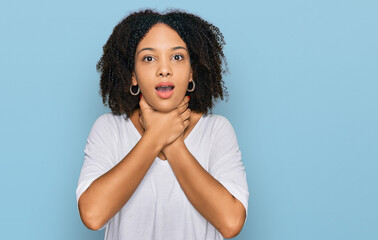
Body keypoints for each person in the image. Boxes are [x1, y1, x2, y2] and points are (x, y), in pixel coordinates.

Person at [76, 9, 249, 240]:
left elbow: (230, 222)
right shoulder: (109, 129)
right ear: (133, 76)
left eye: (177, 57)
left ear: (191, 73)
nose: (164, 69)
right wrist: (154, 136)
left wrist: (171, 139)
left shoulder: (216, 130)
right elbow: (93, 215)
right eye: (149, 58)